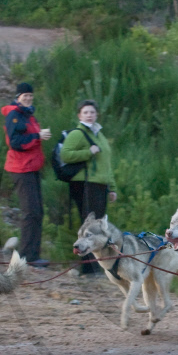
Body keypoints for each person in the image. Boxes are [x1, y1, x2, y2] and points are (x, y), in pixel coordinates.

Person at [60, 99, 118, 275]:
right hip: (85, 184)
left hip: (100, 184)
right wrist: (88, 152)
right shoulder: (78, 133)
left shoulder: (98, 134)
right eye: (85, 112)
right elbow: (65, 154)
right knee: (89, 227)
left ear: (97, 114)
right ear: (79, 115)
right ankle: (88, 266)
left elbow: (106, 163)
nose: (89, 115)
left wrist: (112, 187)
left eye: (92, 112)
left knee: (98, 227)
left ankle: (95, 266)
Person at [2, 82, 52, 267]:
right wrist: (37, 136)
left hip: (31, 168)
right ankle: (26, 256)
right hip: (21, 169)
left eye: (30, 95)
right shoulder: (15, 115)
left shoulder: (28, 115)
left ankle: (32, 254)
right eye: (25, 95)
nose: (28, 98)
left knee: (37, 211)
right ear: (18, 96)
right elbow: (15, 142)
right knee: (30, 211)